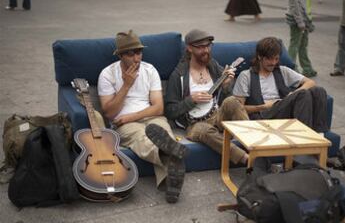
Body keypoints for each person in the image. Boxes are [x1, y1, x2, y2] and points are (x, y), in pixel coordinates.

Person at [97, 30, 187, 204]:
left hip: (147, 117)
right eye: (131, 54)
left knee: (161, 131)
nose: (137, 58)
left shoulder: (150, 70)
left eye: (139, 52)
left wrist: (131, 116)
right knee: (141, 138)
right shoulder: (107, 74)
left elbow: (158, 108)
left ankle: (170, 175)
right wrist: (126, 85)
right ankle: (170, 157)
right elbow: (109, 113)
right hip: (122, 123)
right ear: (120, 55)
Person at [164, 29, 250, 167]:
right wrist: (190, 100)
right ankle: (247, 159)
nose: (206, 50)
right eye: (201, 47)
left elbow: (225, 97)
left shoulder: (213, 66)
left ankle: (255, 146)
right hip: (194, 124)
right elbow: (169, 110)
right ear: (189, 48)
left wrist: (227, 85)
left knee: (232, 101)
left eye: (208, 46)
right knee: (204, 131)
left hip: (217, 115)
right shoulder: (178, 75)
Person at [233, 37, 329, 133]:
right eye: (270, 59)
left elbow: (310, 82)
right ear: (259, 57)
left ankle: (319, 134)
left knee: (318, 91)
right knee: (302, 94)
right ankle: (304, 136)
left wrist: (293, 94)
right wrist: (262, 107)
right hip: (264, 115)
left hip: (284, 109)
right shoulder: (246, 76)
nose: (273, 63)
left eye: (276, 59)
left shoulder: (283, 71)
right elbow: (238, 108)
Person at [286, 0, 317, 77]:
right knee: (295, 44)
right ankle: (290, 69)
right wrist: (299, 21)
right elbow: (293, 0)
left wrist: (308, 20)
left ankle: (307, 68)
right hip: (297, 17)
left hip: (304, 16)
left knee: (303, 44)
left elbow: (306, 0)